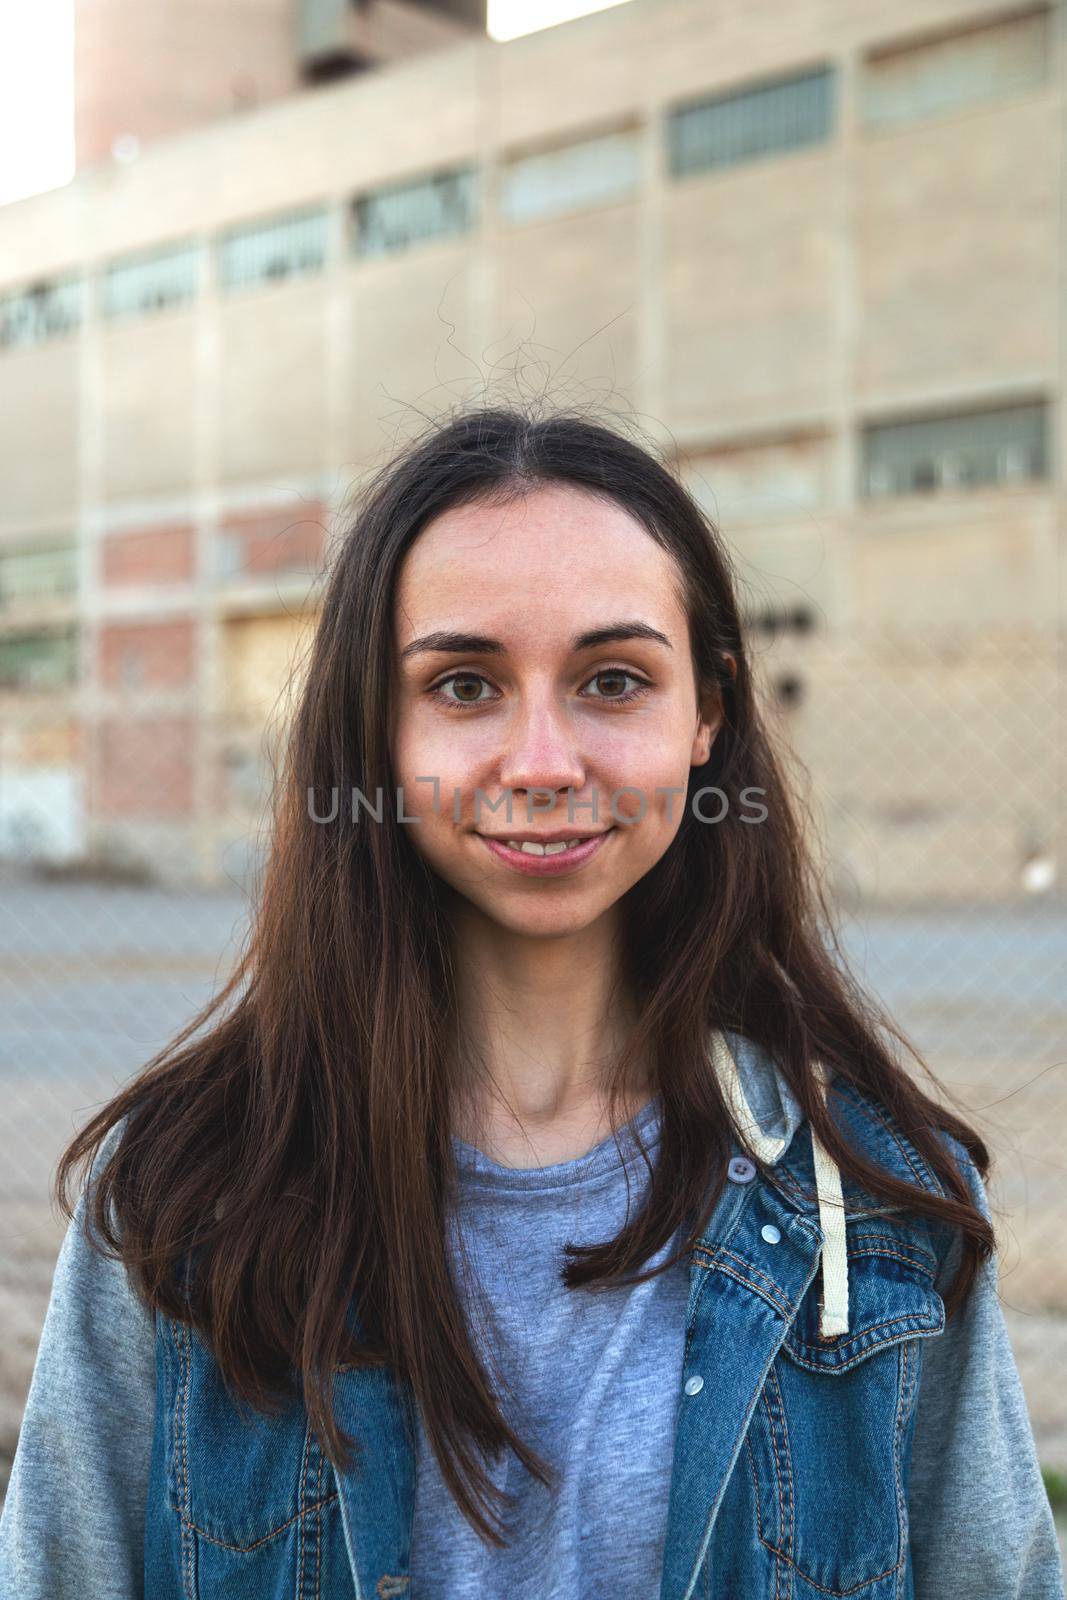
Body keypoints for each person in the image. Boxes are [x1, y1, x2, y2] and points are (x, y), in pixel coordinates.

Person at [0, 407, 1061, 1599]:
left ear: (704, 712)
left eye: (613, 680)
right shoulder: (175, 1204)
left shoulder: (880, 1209)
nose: (544, 762)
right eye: (463, 684)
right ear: (373, 726)